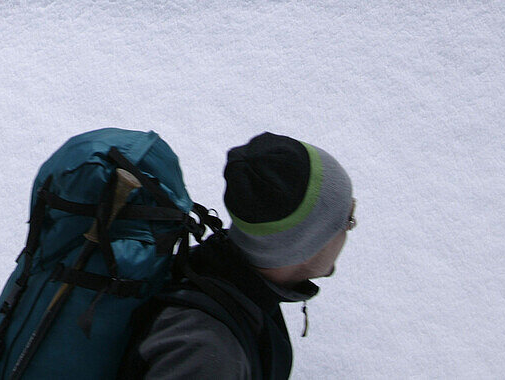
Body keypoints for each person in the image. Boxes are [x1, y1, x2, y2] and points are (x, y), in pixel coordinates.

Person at [121, 132, 356, 378]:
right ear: (308, 243)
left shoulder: (219, 275)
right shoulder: (208, 353)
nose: (352, 227)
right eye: (348, 221)